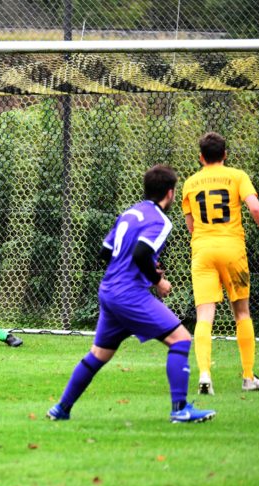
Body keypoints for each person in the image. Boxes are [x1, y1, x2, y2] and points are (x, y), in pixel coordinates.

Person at [47, 164, 215, 423]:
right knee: (180, 339)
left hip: (110, 290)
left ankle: (61, 409)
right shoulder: (160, 220)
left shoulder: (130, 213)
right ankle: (180, 410)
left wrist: (129, 268)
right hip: (129, 294)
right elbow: (140, 253)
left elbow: (105, 252)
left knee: (99, 354)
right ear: (170, 193)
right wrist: (157, 280)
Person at [181, 132, 259, 395]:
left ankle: (205, 375)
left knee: (204, 317)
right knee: (242, 313)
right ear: (225, 154)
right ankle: (247, 376)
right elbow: (255, 208)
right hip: (233, 250)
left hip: (202, 252)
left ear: (201, 157)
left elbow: (191, 226)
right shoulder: (237, 176)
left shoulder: (190, 183)